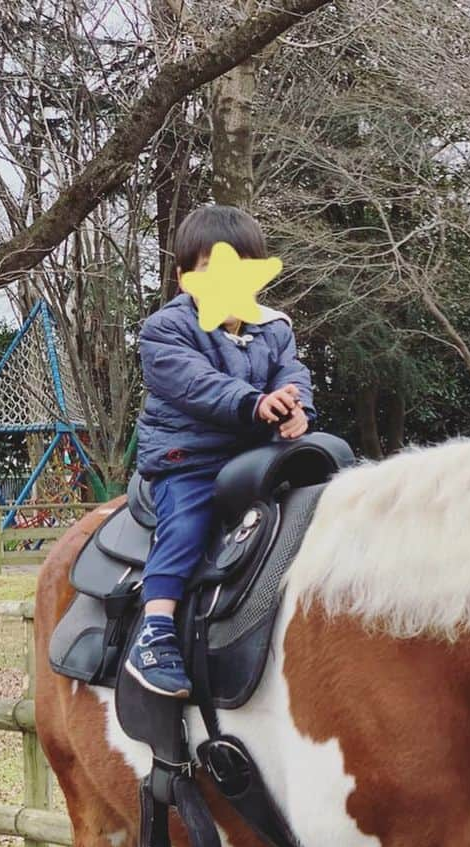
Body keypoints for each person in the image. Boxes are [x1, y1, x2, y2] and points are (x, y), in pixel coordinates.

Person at [126, 204, 316, 697]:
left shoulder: (274, 328)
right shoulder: (164, 330)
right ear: (184, 276)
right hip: (189, 457)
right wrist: (255, 404)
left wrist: (297, 409)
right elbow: (197, 385)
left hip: (255, 456)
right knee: (187, 524)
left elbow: (291, 374)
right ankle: (156, 631)